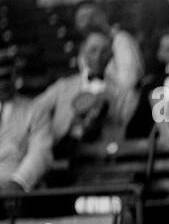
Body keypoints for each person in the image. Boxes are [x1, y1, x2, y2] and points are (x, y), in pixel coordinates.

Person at [28, 31, 134, 153]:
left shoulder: (121, 92)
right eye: (93, 50)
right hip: (61, 151)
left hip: (101, 154)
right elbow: (33, 111)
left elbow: (121, 126)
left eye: (104, 51)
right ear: (83, 51)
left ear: (111, 55)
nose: (98, 57)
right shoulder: (63, 86)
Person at [0, 49, 51, 195]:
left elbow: (40, 151)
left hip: (13, 185)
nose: (2, 83)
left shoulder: (35, 110)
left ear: (15, 76)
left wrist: (19, 181)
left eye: (6, 76)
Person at [72, 0, 144, 98]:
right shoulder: (83, 48)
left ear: (104, 16)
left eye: (93, 16)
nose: (89, 21)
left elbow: (129, 84)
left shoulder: (121, 40)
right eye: (83, 18)